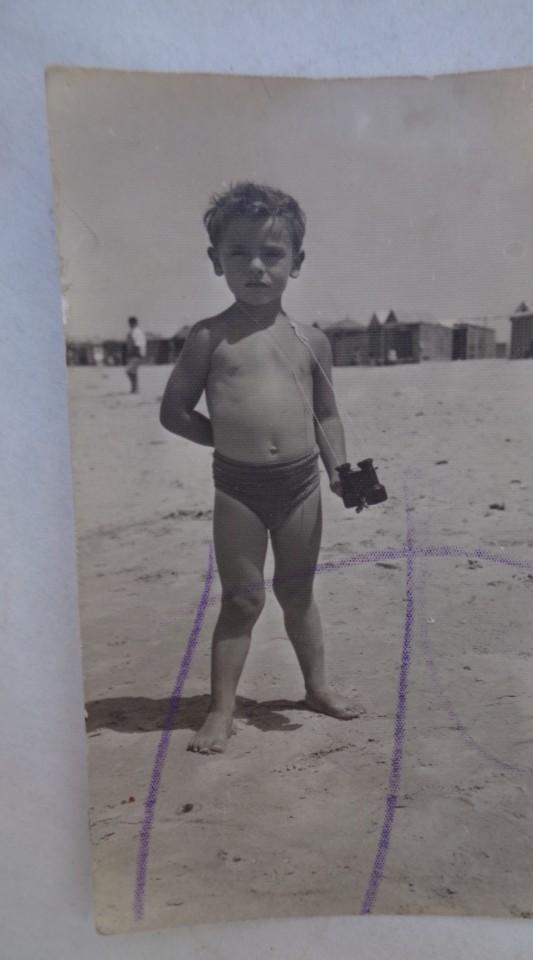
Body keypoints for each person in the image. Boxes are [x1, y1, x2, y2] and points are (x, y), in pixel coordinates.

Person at [160, 181, 361, 754]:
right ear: (215, 260)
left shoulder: (311, 341)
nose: (255, 267)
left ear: (296, 263)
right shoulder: (208, 337)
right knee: (242, 600)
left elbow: (327, 414)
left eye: (272, 255)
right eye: (238, 254)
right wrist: (224, 439)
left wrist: (340, 470)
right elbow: (174, 412)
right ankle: (221, 709)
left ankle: (317, 688)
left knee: (298, 592)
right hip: (239, 489)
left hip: (300, 485)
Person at [125, 316, 146, 392]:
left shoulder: (137, 332)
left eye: (131, 323)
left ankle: (135, 388)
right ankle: (134, 388)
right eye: (129, 323)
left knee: (129, 371)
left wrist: (137, 354)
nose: (130, 324)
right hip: (133, 354)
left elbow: (138, 345)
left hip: (136, 354)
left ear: (135, 323)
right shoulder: (132, 331)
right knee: (133, 371)